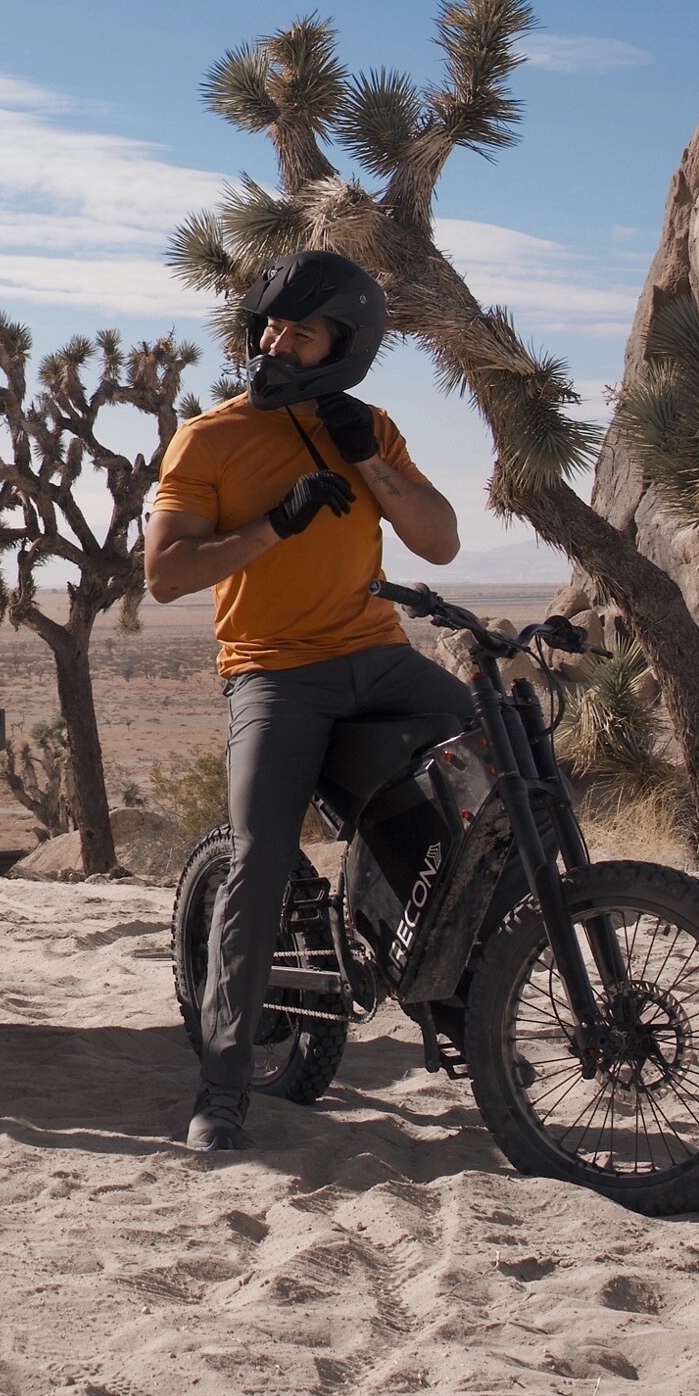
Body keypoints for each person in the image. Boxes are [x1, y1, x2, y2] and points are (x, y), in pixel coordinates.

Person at [142, 250, 466, 1153]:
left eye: (301, 331)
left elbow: (437, 543)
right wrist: (272, 525)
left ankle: (465, 986)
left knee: (499, 764)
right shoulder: (209, 439)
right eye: (270, 326)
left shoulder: (370, 428)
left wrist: (372, 464)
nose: (276, 343)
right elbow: (164, 574)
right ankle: (223, 1088)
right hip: (274, 672)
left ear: (343, 349)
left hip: (380, 658)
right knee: (259, 859)